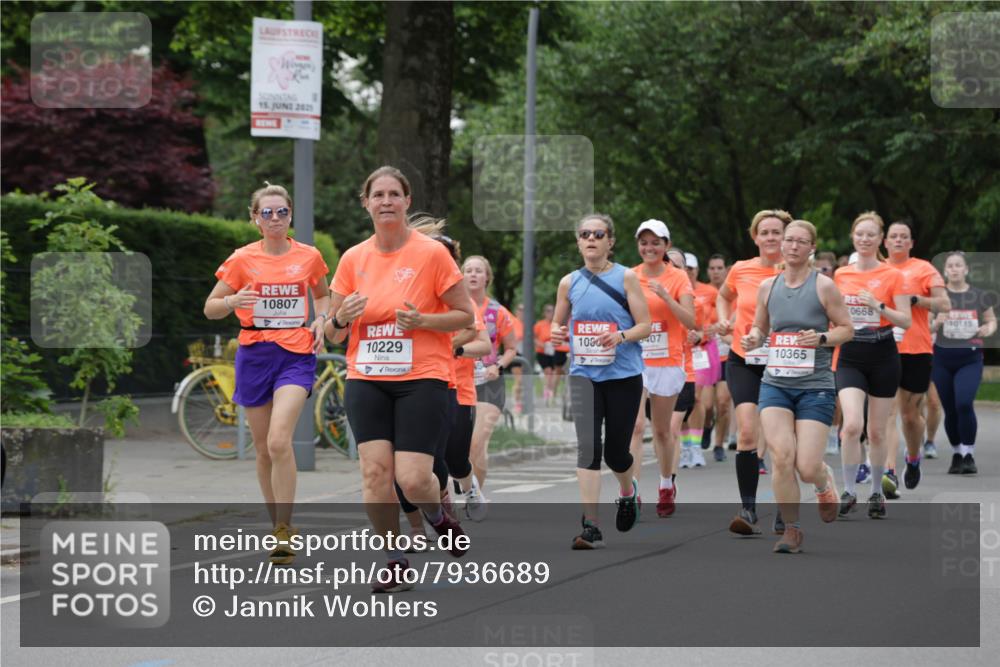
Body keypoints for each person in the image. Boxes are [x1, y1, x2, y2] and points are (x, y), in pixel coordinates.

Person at [326, 166, 475, 591]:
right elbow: (332, 332)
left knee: (411, 478)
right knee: (374, 474)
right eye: (379, 195)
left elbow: (467, 316)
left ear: (407, 201)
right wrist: (339, 317)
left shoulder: (431, 254)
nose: (386, 201)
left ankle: (437, 516)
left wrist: (423, 319)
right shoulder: (354, 258)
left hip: (421, 377)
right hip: (366, 376)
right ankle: (394, 560)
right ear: (366, 202)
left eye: (395, 194)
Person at [204, 182, 330, 565]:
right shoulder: (242, 259)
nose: (275, 219)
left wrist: (321, 320)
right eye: (267, 213)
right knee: (262, 450)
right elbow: (210, 308)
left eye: (282, 212)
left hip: (295, 354)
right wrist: (232, 300)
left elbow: (323, 295)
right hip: (255, 353)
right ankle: (275, 521)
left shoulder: (309, 256)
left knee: (278, 442)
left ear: (290, 214)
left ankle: (285, 529)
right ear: (254, 219)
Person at [742, 220, 853, 553]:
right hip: (775, 383)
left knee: (806, 466)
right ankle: (792, 530)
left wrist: (821, 338)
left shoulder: (824, 286)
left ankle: (823, 482)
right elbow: (760, 328)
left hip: (814, 385)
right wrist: (753, 338)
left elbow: (846, 329)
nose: (791, 246)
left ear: (811, 248)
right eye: (788, 240)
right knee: (781, 457)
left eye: (800, 242)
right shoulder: (768, 287)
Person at [551, 213, 651, 549]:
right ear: (578, 241)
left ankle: (627, 492)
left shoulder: (627, 278)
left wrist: (621, 336)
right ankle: (590, 524)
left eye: (598, 234)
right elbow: (557, 328)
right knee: (588, 449)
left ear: (610, 241)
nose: (591, 239)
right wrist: (556, 333)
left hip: (623, 375)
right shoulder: (568, 282)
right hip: (583, 376)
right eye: (584, 234)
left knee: (616, 453)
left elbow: (645, 326)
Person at [396, 217, 492, 544]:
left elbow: (482, 340)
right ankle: (421, 523)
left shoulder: (457, 294)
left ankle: (467, 489)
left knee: (454, 457)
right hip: (412, 384)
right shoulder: (405, 286)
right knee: (420, 463)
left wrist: (452, 345)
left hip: (456, 387)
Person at [717, 209, 792, 535]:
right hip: (744, 358)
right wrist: (724, 319)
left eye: (778, 232)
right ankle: (747, 509)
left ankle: (784, 509)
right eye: (766, 232)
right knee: (747, 433)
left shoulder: (797, 270)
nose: (771, 237)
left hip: (786, 362)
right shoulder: (741, 269)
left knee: (779, 441)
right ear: (755, 236)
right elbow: (724, 296)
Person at [834, 212, 911, 520]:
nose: (864, 239)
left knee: (877, 432)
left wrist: (877, 305)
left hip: (883, 354)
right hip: (851, 353)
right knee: (852, 425)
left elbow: (904, 319)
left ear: (880, 240)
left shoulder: (894, 275)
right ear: (853, 237)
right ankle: (850, 490)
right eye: (859, 234)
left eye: (870, 235)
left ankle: (877, 491)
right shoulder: (840, 275)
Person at [627, 220, 695, 518]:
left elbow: (692, 321)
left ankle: (666, 483)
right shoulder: (629, 276)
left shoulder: (678, 278)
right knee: (635, 427)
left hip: (667, 359)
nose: (649, 247)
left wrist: (666, 297)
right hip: (634, 358)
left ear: (666, 245)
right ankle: (631, 491)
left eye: (656, 242)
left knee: (662, 430)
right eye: (644, 242)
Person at [881, 221, 950, 496]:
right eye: (893, 237)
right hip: (882, 348)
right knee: (885, 414)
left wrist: (916, 300)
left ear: (911, 243)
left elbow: (944, 304)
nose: (898, 240)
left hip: (916, 348)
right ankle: (888, 472)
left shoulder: (923, 269)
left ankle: (912, 458)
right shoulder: (877, 270)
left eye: (903, 237)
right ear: (885, 242)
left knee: (910, 417)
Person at [932, 251, 997, 475]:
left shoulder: (979, 295)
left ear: (966, 270)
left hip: (969, 358)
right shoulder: (938, 298)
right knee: (950, 409)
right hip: (941, 359)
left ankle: (969, 453)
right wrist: (935, 323)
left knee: (964, 403)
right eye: (950, 265)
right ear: (945, 270)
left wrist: (987, 329)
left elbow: (990, 321)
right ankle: (957, 453)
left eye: (959, 265)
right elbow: (925, 326)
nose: (954, 269)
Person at [463, 255, 518, 517]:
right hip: (460, 380)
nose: (473, 275)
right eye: (468, 270)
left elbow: (511, 348)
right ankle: (471, 488)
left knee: (476, 443)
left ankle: (474, 495)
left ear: (487, 277)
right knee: (464, 446)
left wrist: (499, 365)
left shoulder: (498, 312)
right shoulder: (454, 308)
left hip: (489, 383)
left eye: (478, 271)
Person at [707, 254, 735, 455]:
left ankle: (718, 444)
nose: (716, 271)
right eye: (712, 268)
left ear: (726, 270)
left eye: (719, 268)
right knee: (707, 405)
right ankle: (707, 425)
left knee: (724, 402)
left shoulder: (734, 295)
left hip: (727, 354)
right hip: (705, 355)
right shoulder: (700, 292)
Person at [535, 304, 570, 405]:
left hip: (555, 350)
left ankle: (552, 392)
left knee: (556, 373)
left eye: (552, 311)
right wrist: (542, 345)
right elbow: (533, 338)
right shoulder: (539, 325)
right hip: (543, 352)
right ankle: (548, 392)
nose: (550, 313)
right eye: (548, 311)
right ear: (544, 313)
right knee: (549, 372)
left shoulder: (558, 324)